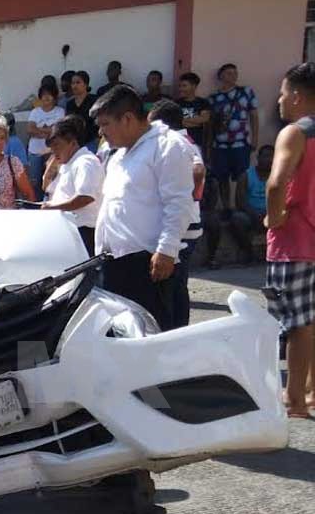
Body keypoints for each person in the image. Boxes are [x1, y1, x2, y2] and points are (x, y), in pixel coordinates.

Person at [90, 85, 194, 331]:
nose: (101, 132)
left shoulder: (168, 146)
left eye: (105, 124)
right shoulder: (119, 156)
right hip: (115, 263)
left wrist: (166, 251)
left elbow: (178, 203)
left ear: (126, 119)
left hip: (148, 263)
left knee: (154, 335)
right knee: (123, 337)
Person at [263, 62, 315, 417]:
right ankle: (310, 393)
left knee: (297, 323)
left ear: (296, 96)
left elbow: (276, 183)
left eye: (282, 93)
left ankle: (294, 400)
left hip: (295, 242)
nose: (279, 101)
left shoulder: (295, 133)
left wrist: (275, 215)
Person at [149, 99, 207, 327]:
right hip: (186, 223)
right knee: (177, 285)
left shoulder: (179, 142)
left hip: (185, 226)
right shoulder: (183, 141)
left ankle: (177, 329)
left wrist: (185, 194)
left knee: (174, 285)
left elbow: (197, 170)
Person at [208, 63, 261, 232]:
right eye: (229, 73)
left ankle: (240, 207)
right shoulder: (213, 98)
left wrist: (255, 138)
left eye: (235, 73)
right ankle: (226, 207)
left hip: (240, 143)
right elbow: (210, 125)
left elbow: (254, 116)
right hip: (220, 144)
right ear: (221, 76)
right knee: (222, 177)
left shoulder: (246, 92)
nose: (233, 76)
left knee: (241, 177)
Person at [41, 115, 104, 252]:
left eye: (57, 145)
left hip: (84, 232)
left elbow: (85, 197)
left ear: (72, 142)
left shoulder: (85, 162)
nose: (54, 151)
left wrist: (52, 208)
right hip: (67, 231)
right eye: (52, 148)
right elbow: (47, 189)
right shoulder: (67, 164)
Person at [27, 82, 66, 201]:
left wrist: (39, 130)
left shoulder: (60, 111)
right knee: (35, 180)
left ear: (54, 97)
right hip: (35, 151)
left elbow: (57, 130)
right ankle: (37, 204)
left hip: (52, 151)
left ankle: (49, 203)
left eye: (49, 95)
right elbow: (30, 130)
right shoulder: (35, 112)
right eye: (43, 95)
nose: (46, 97)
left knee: (51, 179)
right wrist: (48, 131)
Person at [176, 72, 213, 156]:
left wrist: (184, 119)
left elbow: (204, 119)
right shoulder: (176, 103)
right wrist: (196, 121)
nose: (181, 89)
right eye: (180, 86)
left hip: (197, 143)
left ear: (194, 86)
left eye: (184, 86)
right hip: (179, 143)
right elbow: (175, 121)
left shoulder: (203, 102)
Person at [65, 71, 98, 147]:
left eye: (78, 82)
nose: (75, 86)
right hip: (74, 142)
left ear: (85, 84)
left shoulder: (94, 100)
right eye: (73, 83)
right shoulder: (70, 104)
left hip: (92, 140)